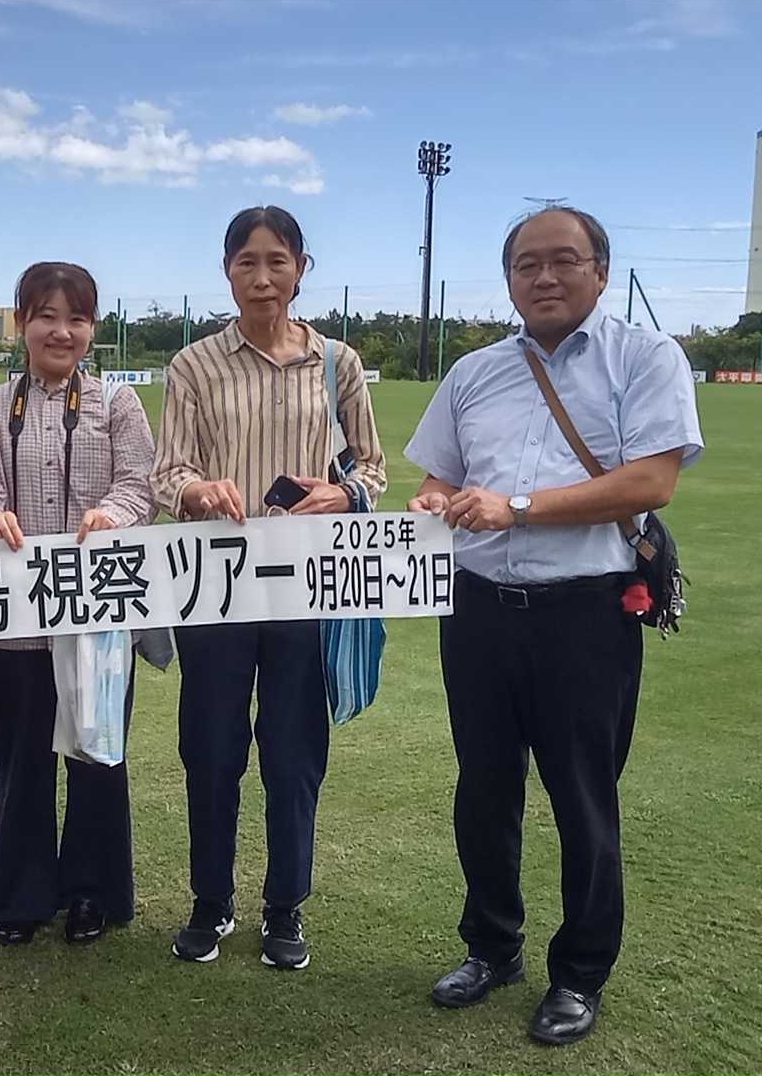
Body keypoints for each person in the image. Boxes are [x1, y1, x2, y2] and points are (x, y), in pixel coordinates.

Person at [403, 206, 704, 1044]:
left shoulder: (643, 358)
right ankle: (492, 946)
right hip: (477, 614)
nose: (544, 277)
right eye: (526, 264)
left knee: (582, 798)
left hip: (585, 616)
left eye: (564, 261)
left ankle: (579, 974)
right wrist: (434, 502)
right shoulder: (473, 373)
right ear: (508, 280)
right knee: (484, 791)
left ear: (600, 272)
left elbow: (650, 481)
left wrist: (519, 509)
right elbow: (439, 477)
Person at [151, 206, 388, 970]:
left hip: (303, 589)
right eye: (247, 261)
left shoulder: (337, 362)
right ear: (226, 270)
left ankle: (285, 907)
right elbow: (167, 473)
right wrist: (195, 493)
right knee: (211, 750)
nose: (262, 277)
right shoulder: (194, 365)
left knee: (292, 756)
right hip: (214, 587)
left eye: (277, 260)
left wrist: (343, 495)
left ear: (301, 268)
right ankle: (210, 903)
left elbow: (373, 471)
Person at [0, 262, 157, 948]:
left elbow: (141, 486)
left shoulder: (117, 404)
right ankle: (22, 894)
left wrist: (111, 515)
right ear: (22, 323)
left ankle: (93, 894)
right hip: (12, 624)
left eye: (76, 317)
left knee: (98, 759)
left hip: (98, 623)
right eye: (45, 315)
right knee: (21, 760)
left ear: (92, 328)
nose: (60, 330)